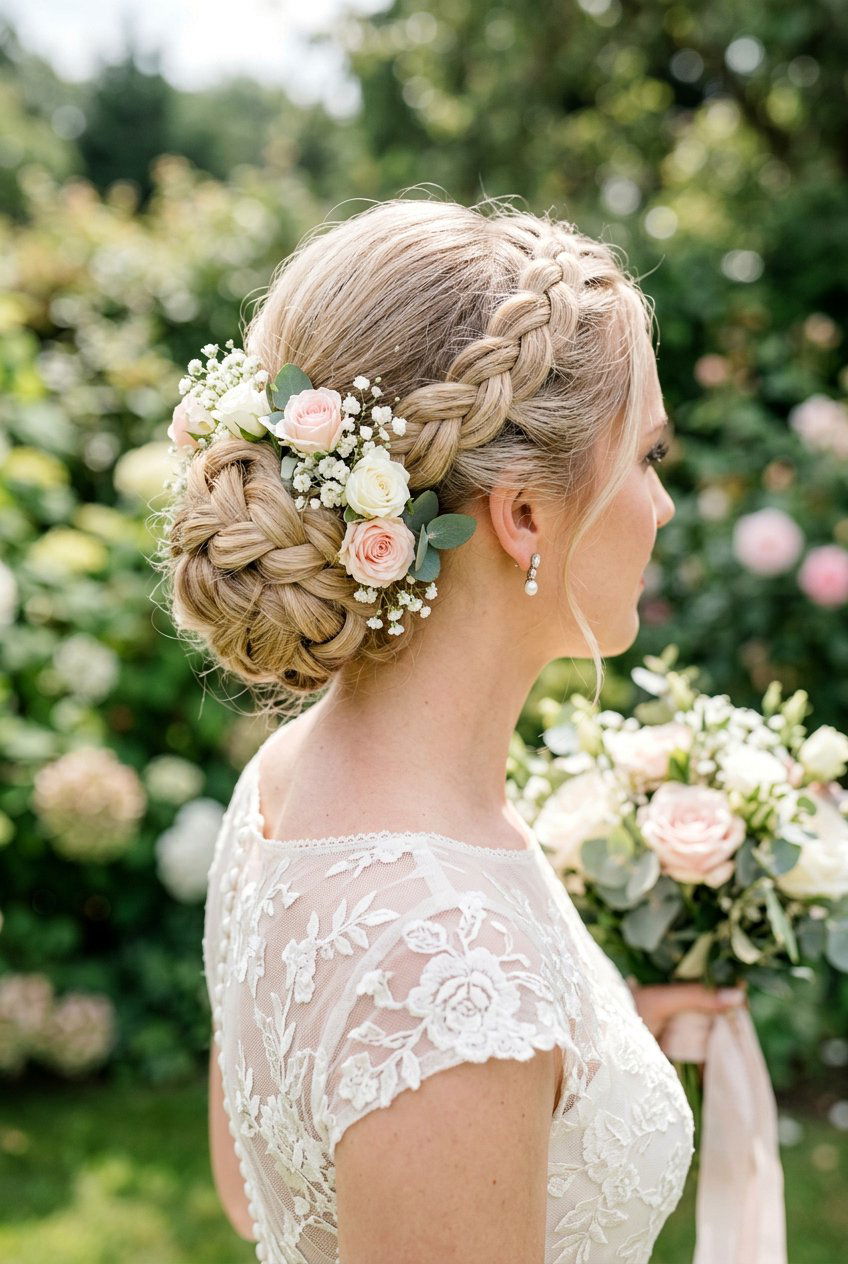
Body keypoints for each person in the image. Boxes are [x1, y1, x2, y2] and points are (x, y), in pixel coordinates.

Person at [160, 194, 746, 1264]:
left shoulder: (289, 783)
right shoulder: (446, 975)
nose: (661, 506)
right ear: (522, 514)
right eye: (649, 459)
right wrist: (488, 1061)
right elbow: (424, 1028)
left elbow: (259, 1192)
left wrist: (584, 1056)